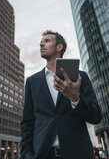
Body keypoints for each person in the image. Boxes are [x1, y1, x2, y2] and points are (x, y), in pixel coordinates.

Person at [20, 30, 101, 159]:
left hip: (78, 154)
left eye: (47, 41)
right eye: (40, 42)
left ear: (59, 46)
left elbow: (96, 116)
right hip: (43, 155)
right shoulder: (32, 82)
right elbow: (27, 123)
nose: (41, 44)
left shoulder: (80, 77)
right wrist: (26, 155)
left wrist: (75, 98)